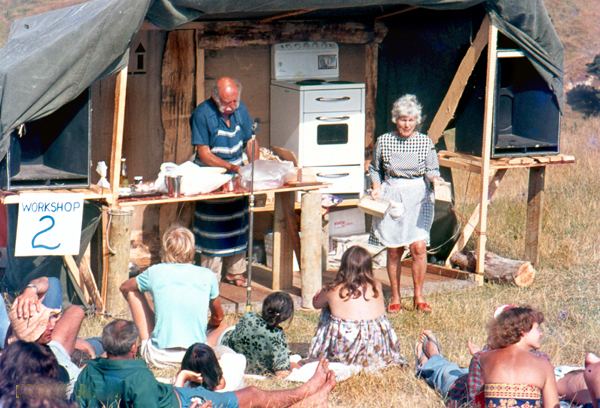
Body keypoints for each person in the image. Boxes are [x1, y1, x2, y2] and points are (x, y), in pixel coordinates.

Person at [75, 319, 336, 408]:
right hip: (184, 403)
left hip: (175, 394)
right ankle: (306, 394)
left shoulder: (88, 374)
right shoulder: (137, 377)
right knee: (252, 396)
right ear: (133, 347)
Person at [368, 94, 442, 313]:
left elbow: (432, 170)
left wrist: (434, 179)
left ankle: (419, 296)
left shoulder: (424, 142)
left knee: (418, 247)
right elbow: (375, 168)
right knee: (394, 250)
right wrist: (376, 186)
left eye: (410, 120)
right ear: (395, 119)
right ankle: (396, 296)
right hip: (393, 195)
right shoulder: (384, 140)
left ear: (416, 121)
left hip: (418, 196)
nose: (406, 124)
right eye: (402, 119)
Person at [120, 225, 227, 368]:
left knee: (133, 291)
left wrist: (150, 314)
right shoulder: (207, 275)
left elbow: (125, 287)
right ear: (192, 249)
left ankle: (148, 338)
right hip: (195, 358)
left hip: (158, 356)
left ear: (165, 249)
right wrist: (208, 326)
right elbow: (218, 317)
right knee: (223, 325)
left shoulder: (155, 272)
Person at [190, 76, 260, 287]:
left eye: (234, 102)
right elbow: (203, 153)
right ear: (215, 97)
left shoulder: (241, 110)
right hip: (212, 176)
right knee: (213, 228)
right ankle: (210, 279)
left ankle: (235, 272)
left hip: (237, 174)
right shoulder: (202, 114)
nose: (231, 107)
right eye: (226, 103)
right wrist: (231, 167)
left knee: (238, 223)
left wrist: (254, 166)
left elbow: (250, 140)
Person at [308, 245, 406, 371]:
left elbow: (316, 304)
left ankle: (323, 351)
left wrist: (321, 292)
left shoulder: (333, 289)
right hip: (378, 348)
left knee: (327, 310)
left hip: (346, 350)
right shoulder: (377, 285)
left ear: (343, 267)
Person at [6, 282, 88, 398]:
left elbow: (49, 281)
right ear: (33, 330)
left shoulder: (37, 345)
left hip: (56, 350)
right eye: (45, 322)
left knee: (76, 311)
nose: (53, 325)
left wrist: (31, 289)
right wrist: (89, 373)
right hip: (71, 377)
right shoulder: (32, 365)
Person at [471, 305, 559, 407]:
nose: (541, 334)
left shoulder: (482, 358)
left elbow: (475, 400)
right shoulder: (544, 365)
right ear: (523, 331)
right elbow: (552, 405)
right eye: (537, 328)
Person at [220, 291, 297, 376]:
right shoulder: (277, 337)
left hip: (229, 355)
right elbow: (282, 370)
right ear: (286, 316)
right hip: (255, 370)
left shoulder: (249, 316)